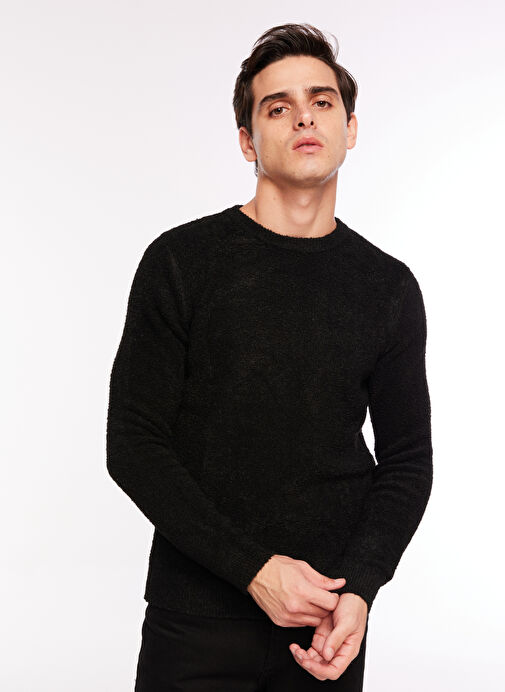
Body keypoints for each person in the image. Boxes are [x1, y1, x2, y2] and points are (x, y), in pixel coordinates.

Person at [106, 22, 433, 691]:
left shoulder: (387, 286)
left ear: (349, 127)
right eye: (277, 107)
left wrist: (360, 587)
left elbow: (406, 461)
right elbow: (133, 444)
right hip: (194, 621)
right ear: (247, 141)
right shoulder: (181, 262)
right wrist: (254, 570)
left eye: (321, 101)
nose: (304, 117)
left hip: (325, 624)